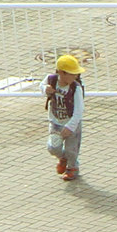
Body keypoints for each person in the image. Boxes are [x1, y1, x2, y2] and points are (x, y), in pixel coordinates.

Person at [44, 53, 83, 182]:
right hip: (55, 122)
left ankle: (73, 168)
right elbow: (42, 86)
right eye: (72, 73)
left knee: (72, 150)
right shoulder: (52, 80)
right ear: (61, 73)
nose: (75, 76)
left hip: (72, 124)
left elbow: (78, 111)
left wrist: (70, 127)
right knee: (52, 147)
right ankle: (63, 158)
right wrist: (45, 89)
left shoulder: (76, 89)